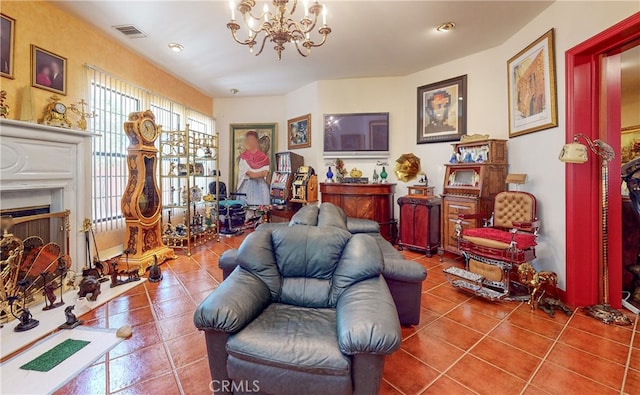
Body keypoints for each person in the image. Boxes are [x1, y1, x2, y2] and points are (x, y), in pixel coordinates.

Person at [236, 131, 270, 206]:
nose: (251, 142)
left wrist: (259, 173)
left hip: (261, 188)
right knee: (248, 211)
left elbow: (266, 173)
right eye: (248, 140)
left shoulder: (264, 157)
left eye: (252, 139)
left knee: (261, 212)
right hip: (247, 187)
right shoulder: (243, 157)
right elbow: (251, 174)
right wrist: (260, 173)